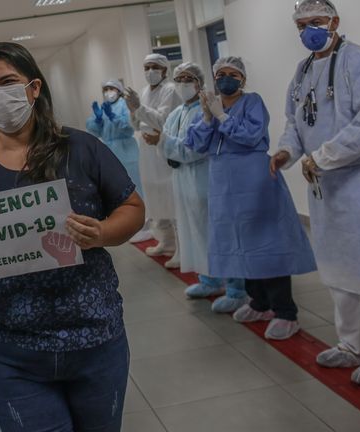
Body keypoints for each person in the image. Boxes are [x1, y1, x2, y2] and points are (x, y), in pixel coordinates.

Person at [0, 42, 145, 432]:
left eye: (8, 82)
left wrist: (102, 233)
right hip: (14, 352)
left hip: (95, 338)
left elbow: (131, 208)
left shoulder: (81, 149)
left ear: (35, 88)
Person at [271, 0, 360, 387]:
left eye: (316, 21)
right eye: (302, 24)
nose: (309, 30)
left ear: (334, 21)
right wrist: (287, 151)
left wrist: (325, 155)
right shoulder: (301, 73)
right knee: (340, 274)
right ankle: (351, 344)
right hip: (326, 191)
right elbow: (295, 123)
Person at [185, 57, 317, 339]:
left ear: (243, 79)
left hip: (254, 179)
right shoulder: (209, 107)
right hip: (223, 184)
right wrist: (208, 118)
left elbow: (252, 135)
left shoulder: (252, 102)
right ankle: (259, 302)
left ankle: (285, 312)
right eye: (220, 74)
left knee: (267, 245)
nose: (226, 79)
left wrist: (222, 117)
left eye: (233, 74)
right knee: (238, 244)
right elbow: (195, 144)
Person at [155, 62, 246, 314]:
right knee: (195, 231)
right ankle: (210, 279)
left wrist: (165, 143)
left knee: (219, 234)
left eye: (188, 78)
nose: (183, 83)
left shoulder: (207, 109)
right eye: (179, 78)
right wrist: (165, 145)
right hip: (183, 181)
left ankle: (237, 288)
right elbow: (166, 146)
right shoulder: (175, 114)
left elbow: (195, 149)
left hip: (206, 178)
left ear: (199, 81)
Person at [123, 54, 182, 265]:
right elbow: (137, 125)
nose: (150, 71)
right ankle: (166, 242)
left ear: (165, 70)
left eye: (154, 67)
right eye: (146, 67)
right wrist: (132, 111)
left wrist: (139, 109)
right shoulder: (145, 91)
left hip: (163, 147)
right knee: (155, 197)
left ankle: (181, 250)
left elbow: (164, 120)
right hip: (147, 151)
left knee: (170, 197)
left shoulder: (171, 90)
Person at [86, 78, 148, 243]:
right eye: (105, 89)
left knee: (135, 186)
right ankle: (127, 224)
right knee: (118, 189)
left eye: (111, 88)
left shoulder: (123, 106)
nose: (108, 92)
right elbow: (93, 130)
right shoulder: (102, 107)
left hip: (127, 150)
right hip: (111, 151)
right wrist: (98, 120)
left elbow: (129, 127)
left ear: (119, 90)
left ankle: (144, 224)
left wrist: (114, 117)